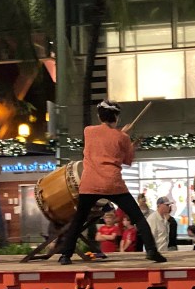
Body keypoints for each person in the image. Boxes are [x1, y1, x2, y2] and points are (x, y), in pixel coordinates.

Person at [56, 100, 165, 264]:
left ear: (100, 116)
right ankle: (151, 250)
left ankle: (66, 255)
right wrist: (129, 142)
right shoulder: (122, 137)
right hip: (113, 184)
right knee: (138, 218)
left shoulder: (88, 131)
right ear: (116, 116)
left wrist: (123, 135)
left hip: (90, 183)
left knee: (79, 219)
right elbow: (127, 160)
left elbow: (104, 142)